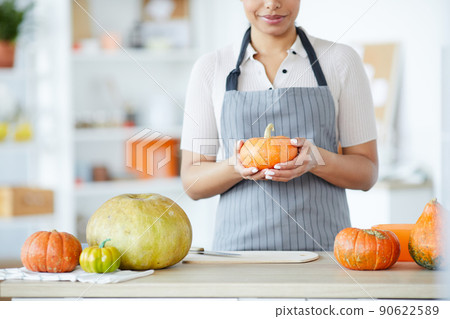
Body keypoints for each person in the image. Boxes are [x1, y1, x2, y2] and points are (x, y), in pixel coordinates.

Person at [179, 0, 378, 251]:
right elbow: (192, 182)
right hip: (237, 261)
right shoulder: (211, 68)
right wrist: (237, 166)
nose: (272, 4)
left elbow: (367, 173)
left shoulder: (340, 61)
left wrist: (315, 159)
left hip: (325, 257)